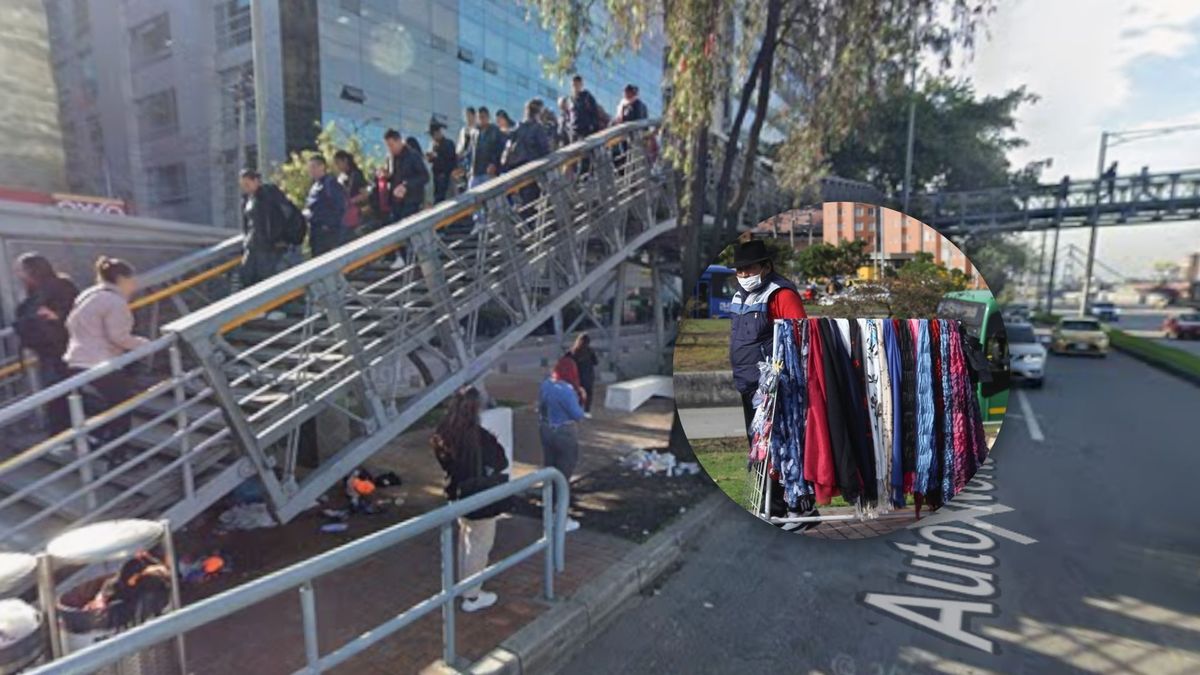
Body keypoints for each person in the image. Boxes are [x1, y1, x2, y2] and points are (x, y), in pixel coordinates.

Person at [727, 239, 812, 527]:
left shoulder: (780, 294)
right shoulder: (740, 296)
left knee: (782, 448)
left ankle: (800, 510)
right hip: (748, 384)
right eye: (739, 269)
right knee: (760, 449)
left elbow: (799, 337)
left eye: (748, 268)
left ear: (766, 266)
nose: (743, 274)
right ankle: (774, 510)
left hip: (773, 387)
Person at [431, 386, 509, 613]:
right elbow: (500, 462)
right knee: (480, 545)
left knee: (465, 539)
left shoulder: (443, 432)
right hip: (479, 497)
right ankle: (472, 595)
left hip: (455, 494)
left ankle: (463, 585)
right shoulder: (479, 436)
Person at [64, 257, 150, 463]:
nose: (134, 284)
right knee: (122, 408)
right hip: (100, 362)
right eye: (131, 279)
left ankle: (100, 443)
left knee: (107, 406)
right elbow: (118, 336)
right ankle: (116, 455)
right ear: (121, 278)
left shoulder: (87, 295)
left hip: (77, 360)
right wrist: (145, 344)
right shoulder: (114, 301)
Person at [13, 253, 78, 433]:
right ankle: (62, 430)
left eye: (21, 270)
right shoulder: (38, 290)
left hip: (61, 347)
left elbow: (74, 312)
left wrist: (55, 316)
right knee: (57, 391)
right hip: (48, 349)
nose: (18, 274)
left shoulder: (60, 286)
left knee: (59, 391)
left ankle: (63, 431)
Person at [539, 362, 586, 532]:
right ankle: (561, 519)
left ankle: (548, 514)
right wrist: (582, 398)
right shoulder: (567, 390)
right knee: (563, 476)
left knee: (550, 471)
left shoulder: (546, 384)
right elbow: (578, 415)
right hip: (565, 432)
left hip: (546, 429)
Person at [239, 169, 298, 288]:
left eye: (247, 184)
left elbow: (286, 214)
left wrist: (282, 238)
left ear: (256, 181)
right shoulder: (248, 199)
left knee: (267, 280)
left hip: (270, 246)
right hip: (254, 245)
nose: (245, 188)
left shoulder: (269, 194)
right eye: (243, 185)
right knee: (247, 277)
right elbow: (248, 223)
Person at [303, 155, 347, 257]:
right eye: (310, 168)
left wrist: (328, 225)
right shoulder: (315, 185)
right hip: (315, 230)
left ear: (322, 167)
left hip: (327, 232)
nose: (311, 171)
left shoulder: (330, 184)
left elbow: (340, 206)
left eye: (314, 167)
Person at [384, 128, 430, 222]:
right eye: (388, 146)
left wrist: (407, 185)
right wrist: (387, 176)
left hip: (411, 201)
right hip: (395, 201)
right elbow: (393, 176)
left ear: (399, 141)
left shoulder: (413, 155)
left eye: (391, 145)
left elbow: (425, 176)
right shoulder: (391, 158)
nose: (390, 149)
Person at [333, 150, 371, 234]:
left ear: (345, 160)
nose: (337, 166)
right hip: (347, 216)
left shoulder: (356, 174)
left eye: (338, 163)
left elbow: (365, 194)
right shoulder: (341, 177)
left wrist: (350, 201)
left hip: (359, 213)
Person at [469, 107, 504, 189]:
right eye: (479, 117)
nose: (481, 120)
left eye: (483, 117)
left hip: (489, 171)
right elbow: (471, 152)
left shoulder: (495, 131)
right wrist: (468, 168)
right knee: (472, 196)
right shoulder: (475, 132)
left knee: (491, 196)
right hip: (475, 172)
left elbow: (499, 149)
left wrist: (494, 164)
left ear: (488, 117)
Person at [567, 75, 605, 143]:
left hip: (586, 129)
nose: (575, 86)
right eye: (574, 84)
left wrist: (593, 126)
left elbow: (595, 111)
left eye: (578, 83)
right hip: (574, 132)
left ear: (581, 85)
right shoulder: (570, 99)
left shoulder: (586, 96)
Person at [426, 122, 458, 203]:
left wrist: (436, 157)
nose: (432, 138)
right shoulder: (434, 145)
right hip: (437, 181)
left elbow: (450, 162)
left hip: (447, 180)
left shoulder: (448, 144)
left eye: (433, 134)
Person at [568, 333, 599, 414]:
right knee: (589, 394)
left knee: (577, 394)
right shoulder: (590, 351)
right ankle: (587, 411)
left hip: (577, 377)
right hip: (589, 376)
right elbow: (596, 362)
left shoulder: (573, 351)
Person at [455, 107, 477, 193]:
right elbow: (459, 146)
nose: (467, 118)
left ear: (474, 116)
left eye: (469, 115)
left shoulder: (477, 129)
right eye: (466, 116)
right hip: (464, 160)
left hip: (473, 158)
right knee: (462, 184)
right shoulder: (463, 130)